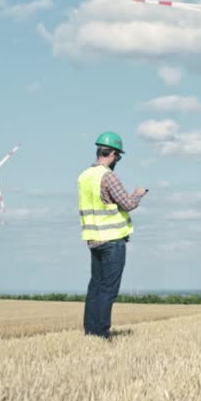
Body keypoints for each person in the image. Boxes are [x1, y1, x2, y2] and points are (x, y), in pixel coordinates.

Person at [78, 131, 147, 338]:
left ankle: (90, 330)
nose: (118, 160)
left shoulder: (84, 176)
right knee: (109, 289)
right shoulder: (107, 176)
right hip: (112, 240)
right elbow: (126, 203)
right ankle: (101, 332)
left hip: (93, 239)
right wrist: (138, 194)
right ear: (113, 154)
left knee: (95, 287)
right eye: (118, 156)